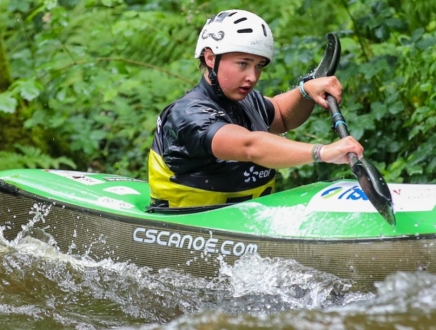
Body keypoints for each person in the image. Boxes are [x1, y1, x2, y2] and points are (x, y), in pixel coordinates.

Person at [148, 9, 364, 208]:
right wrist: (322, 152)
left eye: (258, 66)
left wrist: (305, 91)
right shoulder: (189, 115)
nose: (252, 77)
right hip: (190, 230)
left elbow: (280, 114)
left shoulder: (246, 101)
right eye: (243, 63)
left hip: (243, 224)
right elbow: (250, 146)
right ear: (211, 58)